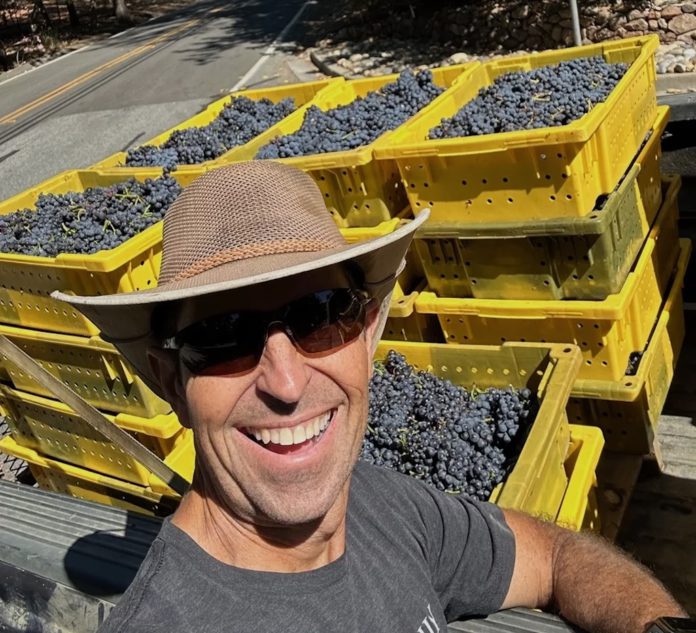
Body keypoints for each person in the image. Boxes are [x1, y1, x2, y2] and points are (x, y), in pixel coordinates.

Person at [56, 162, 687, 633]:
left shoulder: (379, 502)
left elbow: (556, 555)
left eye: (320, 317)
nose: (287, 383)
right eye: (222, 339)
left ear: (368, 331)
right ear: (171, 382)